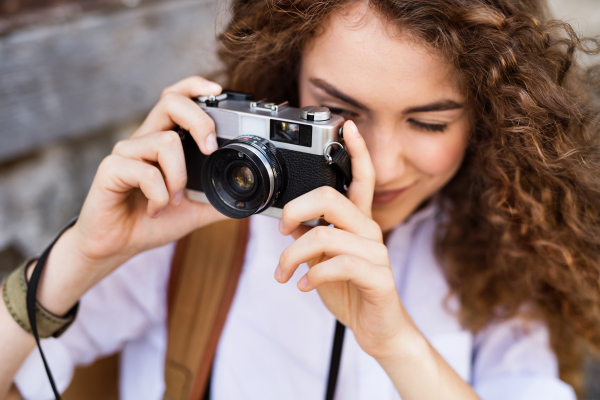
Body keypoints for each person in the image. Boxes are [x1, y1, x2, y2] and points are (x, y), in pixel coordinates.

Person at [2, 0, 599, 398]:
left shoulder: (498, 243)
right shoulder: (192, 218)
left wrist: (394, 342)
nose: (384, 164)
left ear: (491, 120)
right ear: (288, 82)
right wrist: (79, 257)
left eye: (430, 123)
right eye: (339, 112)